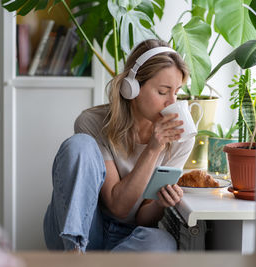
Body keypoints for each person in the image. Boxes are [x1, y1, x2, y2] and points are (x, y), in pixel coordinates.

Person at [43, 39, 195, 252]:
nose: (172, 102)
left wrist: (161, 203)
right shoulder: (92, 123)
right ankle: (74, 255)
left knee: (162, 243)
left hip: (127, 237)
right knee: (79, 146)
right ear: (131, 89)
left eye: (176, 92)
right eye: (163, 92)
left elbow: (142, 216)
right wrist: (153, 148)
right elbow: (118, 206)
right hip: (86, 226)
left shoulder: (181, 139)